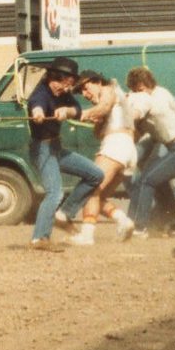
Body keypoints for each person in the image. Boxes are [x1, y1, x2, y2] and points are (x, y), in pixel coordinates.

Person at [24, 58, 103, 252]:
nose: (66, 89)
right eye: (63, 84)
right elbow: (36, 104)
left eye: (68, 85)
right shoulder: (41, 92)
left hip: (56, 148)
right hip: (42, 149)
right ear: (54, 78)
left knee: (96, 175)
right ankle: (39, 239)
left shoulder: (64, 93)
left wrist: (67, 111)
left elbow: (76, 109)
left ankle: (65, 213)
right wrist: (38, 113)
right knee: (55, 192)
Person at [125, 67, 175, 239]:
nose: (140, 93)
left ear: (147, 85)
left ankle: (139, 229)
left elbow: (136, 114)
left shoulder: (147, 100)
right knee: (158, 180)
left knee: (146, 180)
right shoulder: (163, 93)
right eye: (136, 90)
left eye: (140, 89)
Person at [72, 72, 139, 244]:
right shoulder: (112, 99)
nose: (85, 94)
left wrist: (81, 113)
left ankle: (87, 235)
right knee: (99, 197)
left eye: (86, 88)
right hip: (127, 149)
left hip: (116, 145)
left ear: (98, 82)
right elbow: (98, 132)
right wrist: (97, 121)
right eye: (82, 92)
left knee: (90, 188)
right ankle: (124, 221)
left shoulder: (109, 89)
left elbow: (104, 107)